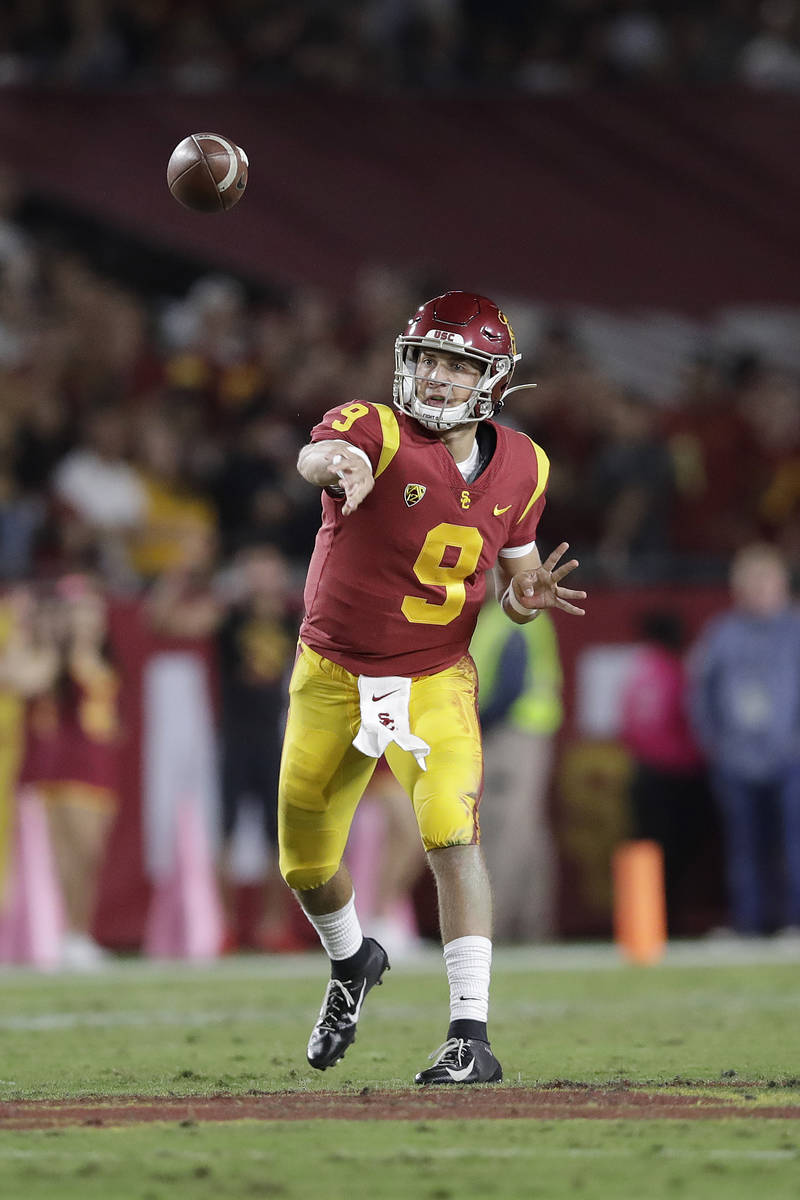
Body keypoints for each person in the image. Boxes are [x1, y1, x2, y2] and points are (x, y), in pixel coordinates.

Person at [280, 290, 586, 1086]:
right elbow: (321, 451)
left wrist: (525, 599)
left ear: (493, 379)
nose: (439, 377)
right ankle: (352, 960)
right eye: (428, 359)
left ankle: (469, 1035)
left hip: (432, 676)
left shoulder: (526, 464)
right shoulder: (376, 430)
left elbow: (516, 577)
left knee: (452, 830)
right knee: (305, 864)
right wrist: (336, 464)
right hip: (333, 673)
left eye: (459, 365)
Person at [688, 543, 800, 936]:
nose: (757, 590)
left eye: (764, 581)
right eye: (749, 583)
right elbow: (701, 691)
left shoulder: (795, 630)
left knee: (794, 843)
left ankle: (794, 922)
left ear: (782, 584)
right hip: (736, 759)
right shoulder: (722, 633)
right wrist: (714, 743)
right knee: (744, 847)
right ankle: (748, 924)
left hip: (791, 759)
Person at [470, 598, 563, 943]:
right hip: (521, 733)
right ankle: (531, 926)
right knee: (526, 832)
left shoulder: (510, 617)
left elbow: (510, 687)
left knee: (505, 831)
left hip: (511, 734)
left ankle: (499, 926)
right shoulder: (505, 616)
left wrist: (471, 722)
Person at [619, 610, 708, 935]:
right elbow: (693, 721)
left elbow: (628, 725)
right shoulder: (674, 671)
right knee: (674, 853)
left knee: (648, 849)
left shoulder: (638, 671)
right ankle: (666, 922)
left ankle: (646, 924)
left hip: (643, 772)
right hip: (676, 776)